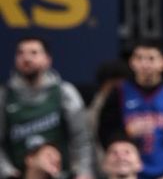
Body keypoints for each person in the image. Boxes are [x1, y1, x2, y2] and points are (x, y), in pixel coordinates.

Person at [99, 40, 163, 179]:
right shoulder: (119, 91)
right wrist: (126, 132)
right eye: (139, 58)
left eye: (151, 58)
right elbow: (105, 132)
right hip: (128, 171)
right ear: (132, 62)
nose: (144, 64)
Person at [0, 37, 93, 179]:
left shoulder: (64, 93)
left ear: (47, 59)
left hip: (62, 174)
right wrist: (7, 172)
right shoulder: (5, 96)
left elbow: (81, 139)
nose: (27, 58)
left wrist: (83, 172)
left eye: (34, 53)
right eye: (21, 53)